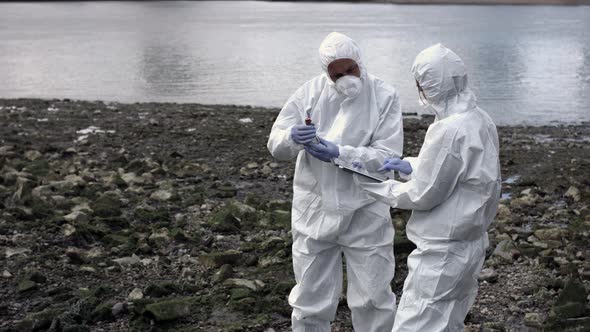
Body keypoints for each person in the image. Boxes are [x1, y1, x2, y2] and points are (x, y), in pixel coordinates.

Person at [356, 44, 501, 331]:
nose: (420, 91)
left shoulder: (449, 129)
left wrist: (378, 187)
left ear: (431, 86)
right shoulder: (480, 118)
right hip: (470, 245)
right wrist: (411, 165)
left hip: (442, 253)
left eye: (421, 84)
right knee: (448, 323)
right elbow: (460, 174)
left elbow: (423, 194)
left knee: (416, 323)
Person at [267, 32, 403, 332]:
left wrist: (341, 153)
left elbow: (387, 156)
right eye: (337, 74)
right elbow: (275, 144)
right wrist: (291, 138)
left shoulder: (384, 95)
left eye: (350, 70)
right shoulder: (309, 94)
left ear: (359, 62)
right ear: (326, 73)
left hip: (366, 209)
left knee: (374, 298)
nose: (345, 78)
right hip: (315, 208)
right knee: (310, 299)